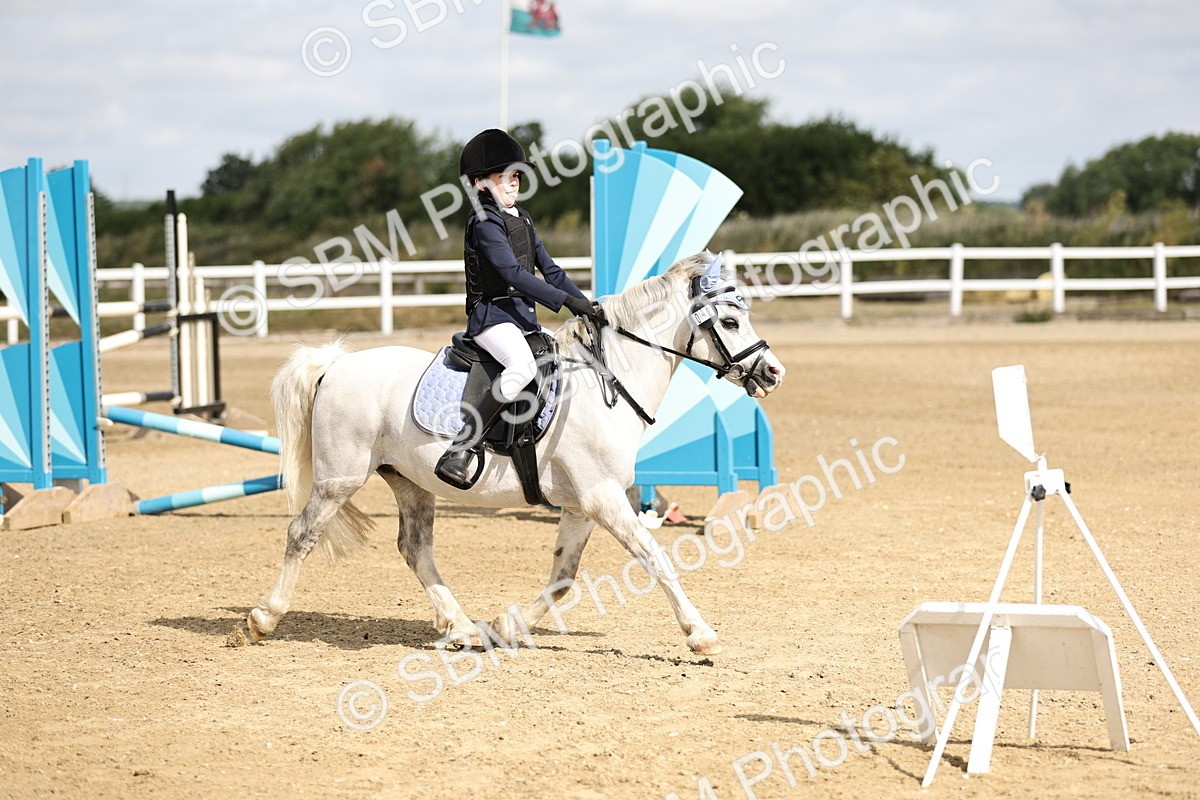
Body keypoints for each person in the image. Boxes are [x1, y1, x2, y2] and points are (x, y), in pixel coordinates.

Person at [435, 128, 604, 488]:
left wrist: (584, 306)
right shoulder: (484, 221)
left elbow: (551, 270)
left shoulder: (522, 218)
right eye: (506, 177)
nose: (514, 184)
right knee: (523, 366)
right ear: (480, 183)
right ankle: (460, 450)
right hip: (491, 318)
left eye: (517, 177)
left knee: (560, 361)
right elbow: (511, 273)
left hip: (521, 318)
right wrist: (564, 303)